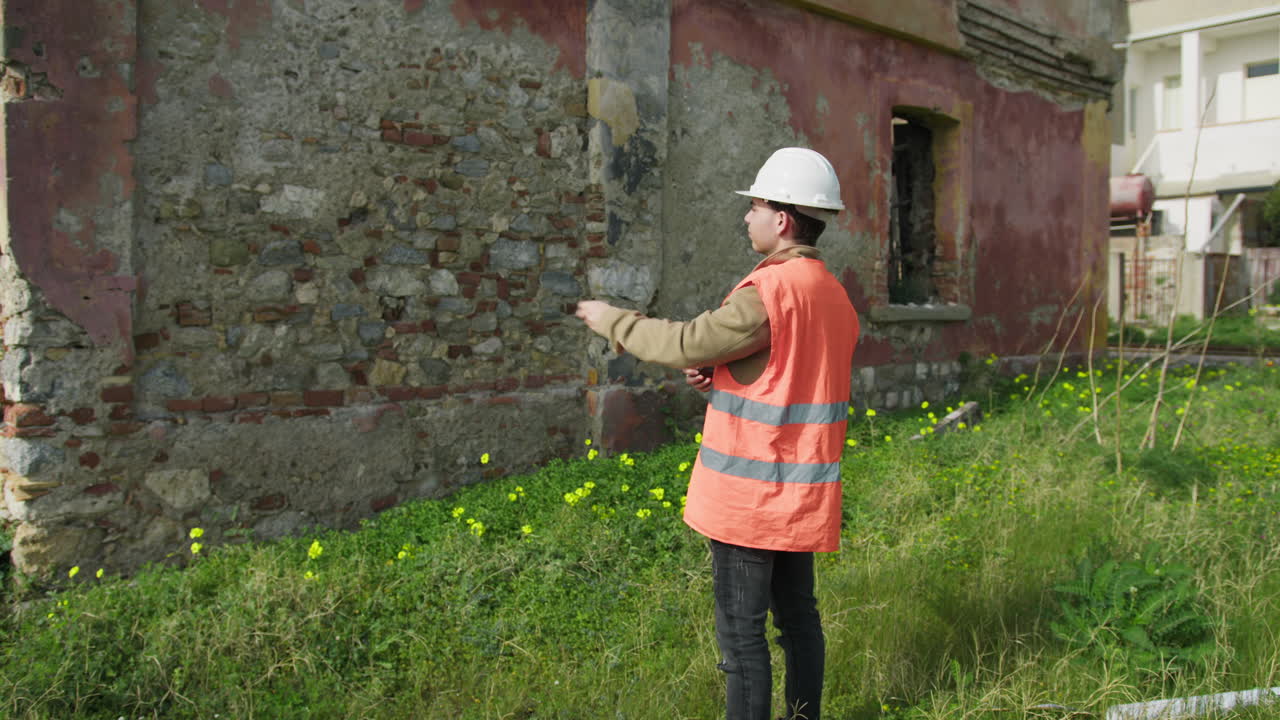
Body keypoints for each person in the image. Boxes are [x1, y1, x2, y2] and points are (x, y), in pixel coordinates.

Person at [575, 147, 859, 720]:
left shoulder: (769, 291)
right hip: (798, 494)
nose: (746, 218)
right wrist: (725, 374)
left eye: (754, 206)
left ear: (782, 219)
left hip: (750, 500)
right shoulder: (831, 293)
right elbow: (788, 376)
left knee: (742, 640)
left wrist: (611, 320)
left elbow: (684, 341)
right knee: (799, 622)